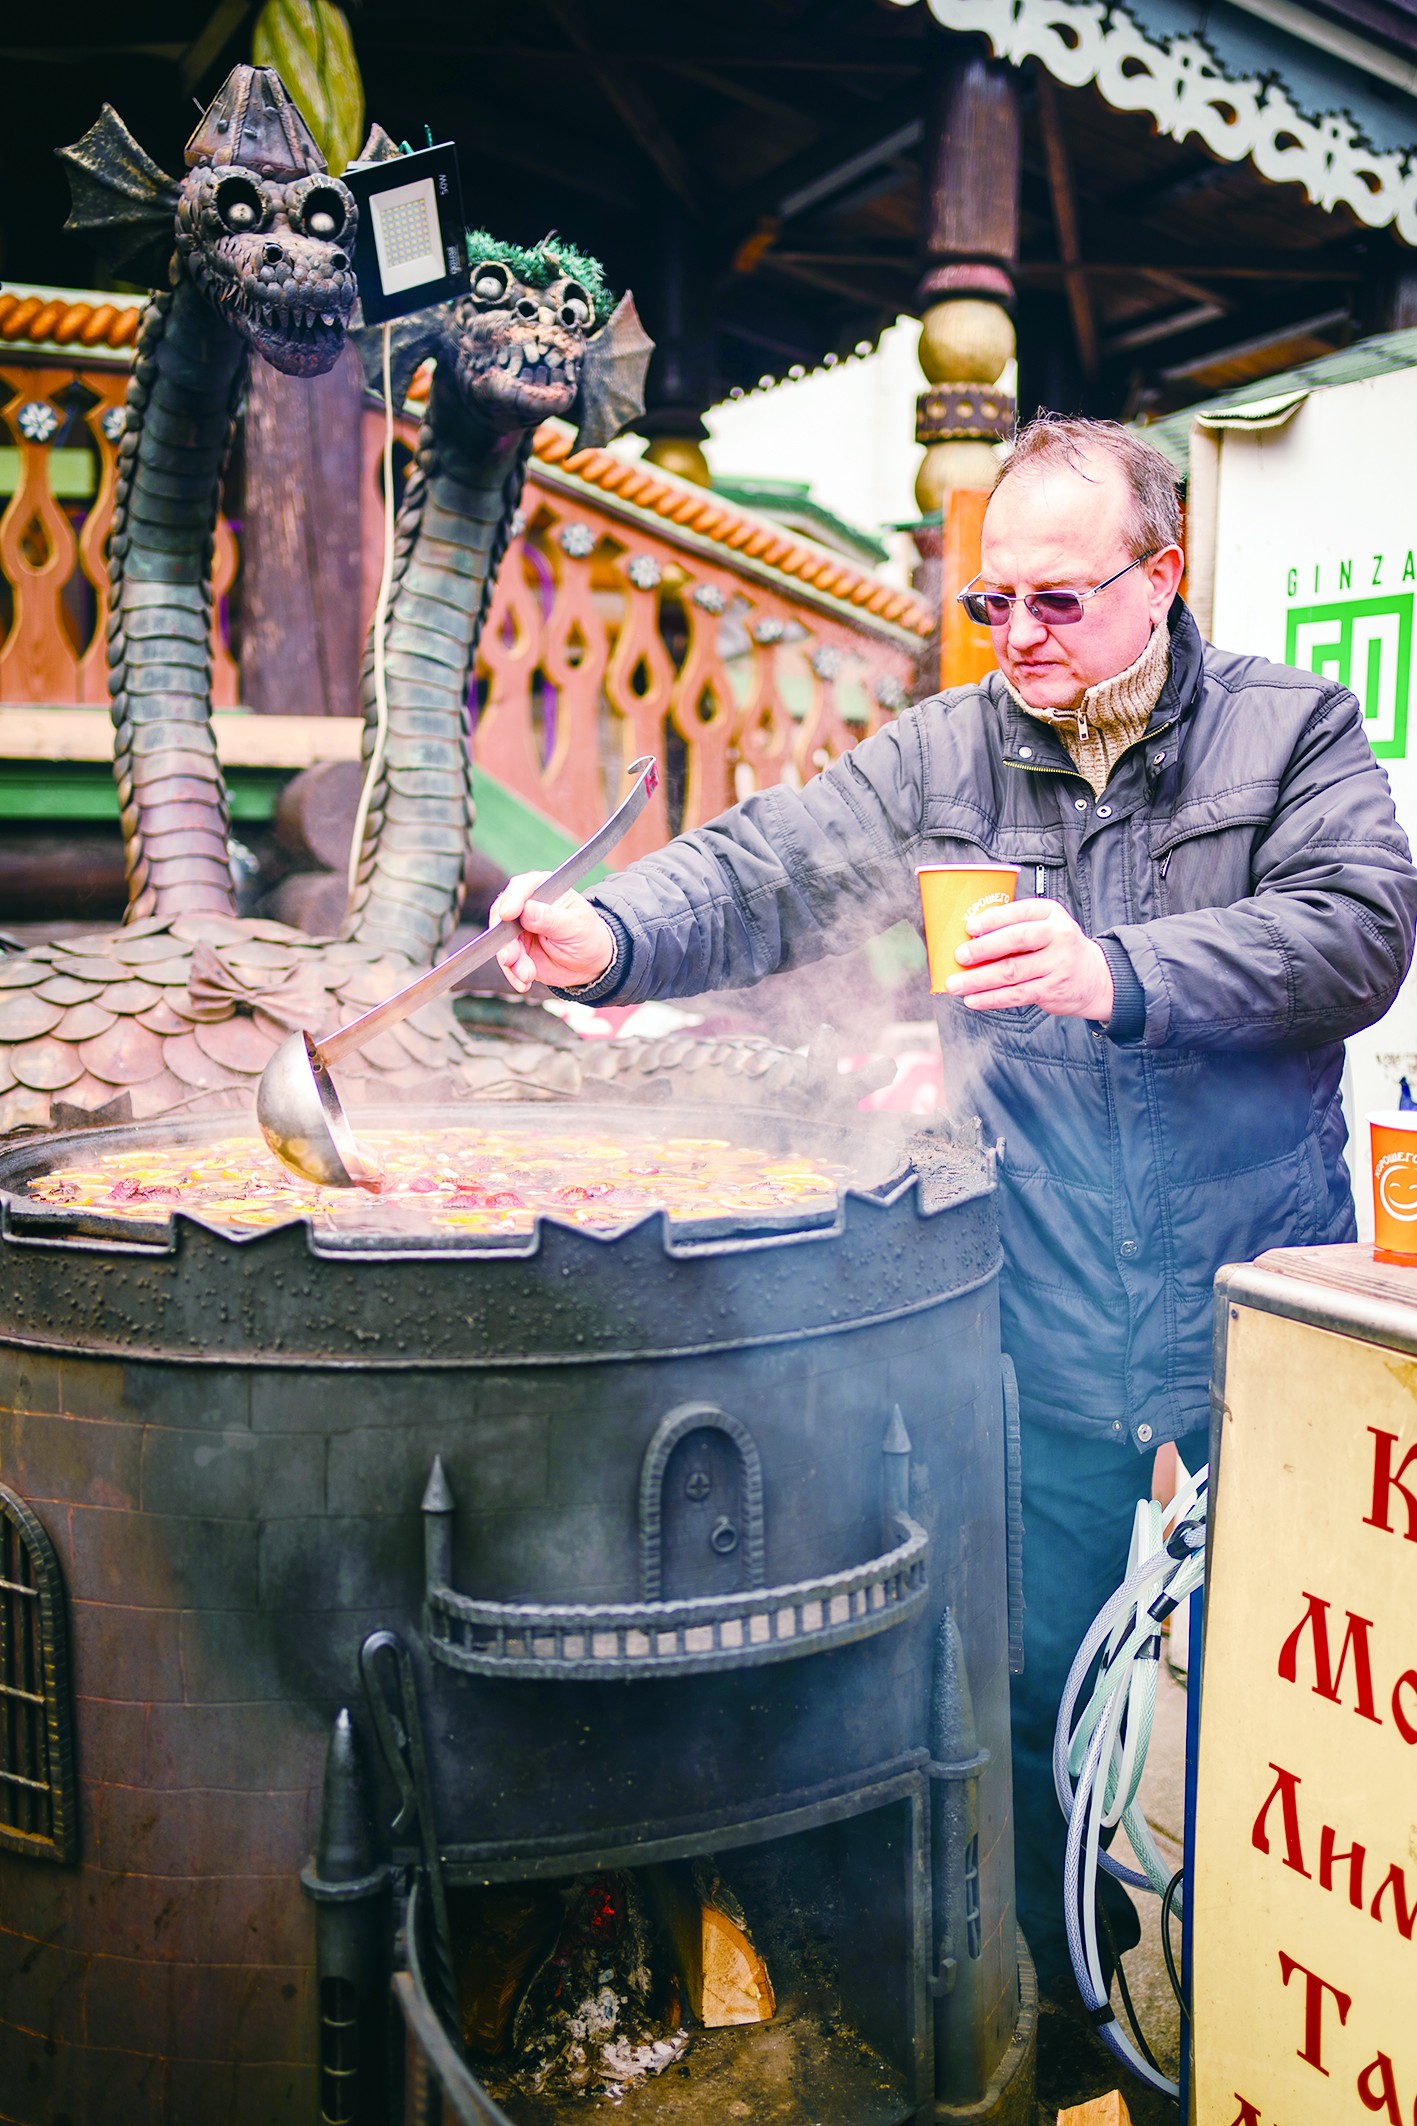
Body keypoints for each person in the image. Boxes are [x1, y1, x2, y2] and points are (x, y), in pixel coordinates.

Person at [489, 416, 1417, 1998]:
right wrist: (611, 932)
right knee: (1047, 1689)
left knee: (1278, 1710)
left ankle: (1267, 2016)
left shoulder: (1291, 727)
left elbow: (1356, 931)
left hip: (1254, 1311)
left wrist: (1112, 971)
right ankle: (1074, 2019)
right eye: (995, 605)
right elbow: (765, 865)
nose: (1020, 640)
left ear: (1159, 579)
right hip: (1045, 1314)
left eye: (1057, 601)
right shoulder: (943, 752)